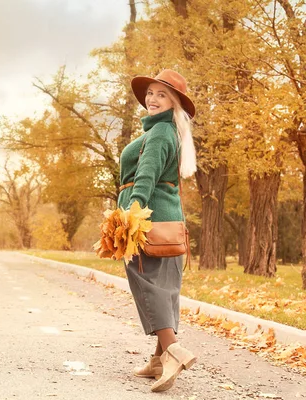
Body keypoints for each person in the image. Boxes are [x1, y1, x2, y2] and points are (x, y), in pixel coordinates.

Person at [117, 69, 198, 392]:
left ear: (173, 103)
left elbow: (145, 177)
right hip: (169, 219)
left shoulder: (161, 133)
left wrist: (132, 214)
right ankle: (157, 360)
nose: (152, 98)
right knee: (164, 285)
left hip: (147, 218)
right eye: (150, 92)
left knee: (147, 282)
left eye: (161, 94)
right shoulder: (168, 131)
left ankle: (174, 350)